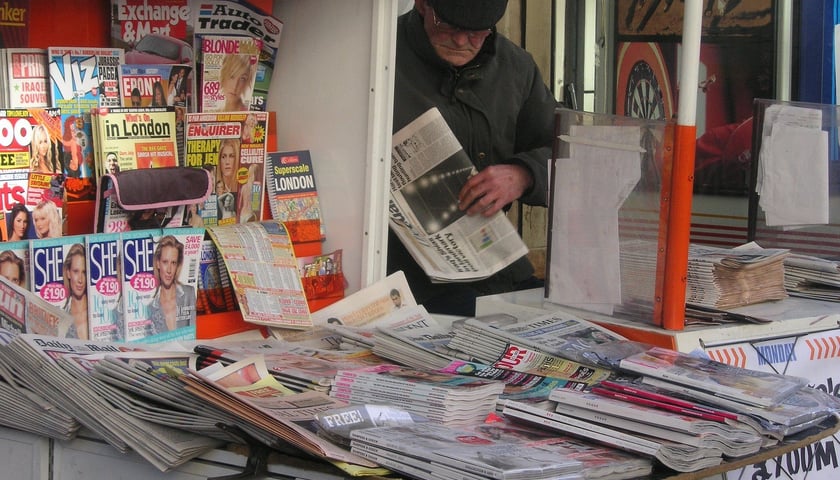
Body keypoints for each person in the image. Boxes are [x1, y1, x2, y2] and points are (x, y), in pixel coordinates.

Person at [387, 0, 558, 316]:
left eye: (477, 32)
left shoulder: (516, 68)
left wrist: (523, 175)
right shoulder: (381, 56)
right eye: (448, 26)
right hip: (402, 276)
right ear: (423, 5)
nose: (461, 41)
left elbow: (563, 152)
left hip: (494, 267)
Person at [148, 235, 196, 333]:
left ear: (177, 265)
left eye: (173, 263)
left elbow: (193, 334)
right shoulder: (150, 306)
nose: (169, 270)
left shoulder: (188, 293)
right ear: (157, 263)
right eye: (165, 262)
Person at [62, 243, 88, 340]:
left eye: (84, 272)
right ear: (68, 273)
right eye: (76, 271)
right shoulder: (61, 318)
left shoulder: (100, 313)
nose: (80, 280)